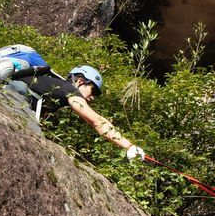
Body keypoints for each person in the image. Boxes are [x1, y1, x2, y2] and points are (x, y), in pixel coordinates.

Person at [12, 64, 146, 160]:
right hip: (14, 98)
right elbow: (97, 122)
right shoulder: (69, 89)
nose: (92, 97)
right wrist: (129, 146)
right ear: (81, 81)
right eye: (93, 90)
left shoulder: (55, 88)